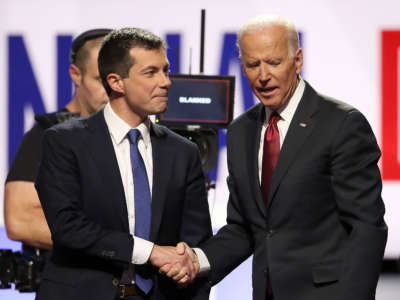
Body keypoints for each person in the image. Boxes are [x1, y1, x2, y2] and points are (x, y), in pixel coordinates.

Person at [167, 14, 388, 300]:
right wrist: (198, 259)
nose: (263, 75)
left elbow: (366, 227)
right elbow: (244, 228)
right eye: (252, 64)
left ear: (297, 61)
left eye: (273, 62)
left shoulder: (341, 124)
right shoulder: (241, 131)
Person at [34, 27, 212, 300]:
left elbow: (196, 240)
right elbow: (68, 226)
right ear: (116, 82)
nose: (166, 82)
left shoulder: (183, 151)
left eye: (166, 70)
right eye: (151, 73)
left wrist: (186, 263)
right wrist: (150, 252)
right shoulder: (64, 142)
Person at [4, 29, 111, 262]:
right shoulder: (48, 134)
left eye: (118, 80)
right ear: (76, 74)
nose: (111, 92)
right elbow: (20, 220)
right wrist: (116, 245)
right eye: (101, 80)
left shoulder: (140, 136)